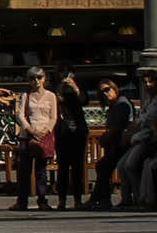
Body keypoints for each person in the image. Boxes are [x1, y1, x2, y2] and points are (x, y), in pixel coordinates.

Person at [9, 66, 57, 211]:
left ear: (44, 79)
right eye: (32, 78)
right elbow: (20, 115)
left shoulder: (51, 96)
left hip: (43, 135)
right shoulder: (26, 95)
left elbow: (53, 116)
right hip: (27, 135)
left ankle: (42, 200)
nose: (36, 81)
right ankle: (22, 201)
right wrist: (30, 129)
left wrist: (46, 131)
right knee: (24, 170)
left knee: (41, 171)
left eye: (39, 77)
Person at [88, 78, 132, 210]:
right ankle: (101, 199)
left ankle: (99, 199)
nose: (105, 94)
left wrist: (105, 139)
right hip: (116, 145)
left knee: (103, 165)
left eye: (107, 89)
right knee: (103, 166)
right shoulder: (114, 106)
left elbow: (116, 129)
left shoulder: (121, 104)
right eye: (101, 92)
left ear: (114, 88)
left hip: (125, 144)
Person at [54, 75, 88, 210]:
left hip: (78, 131)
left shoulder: (78, 90)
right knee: (62, 167)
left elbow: (84, 100)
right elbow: (56, 101)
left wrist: (75, 87)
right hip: (62, 132)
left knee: (77, 167)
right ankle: (61, 199)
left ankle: (78, 199)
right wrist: (60, 88)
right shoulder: (57, 90)